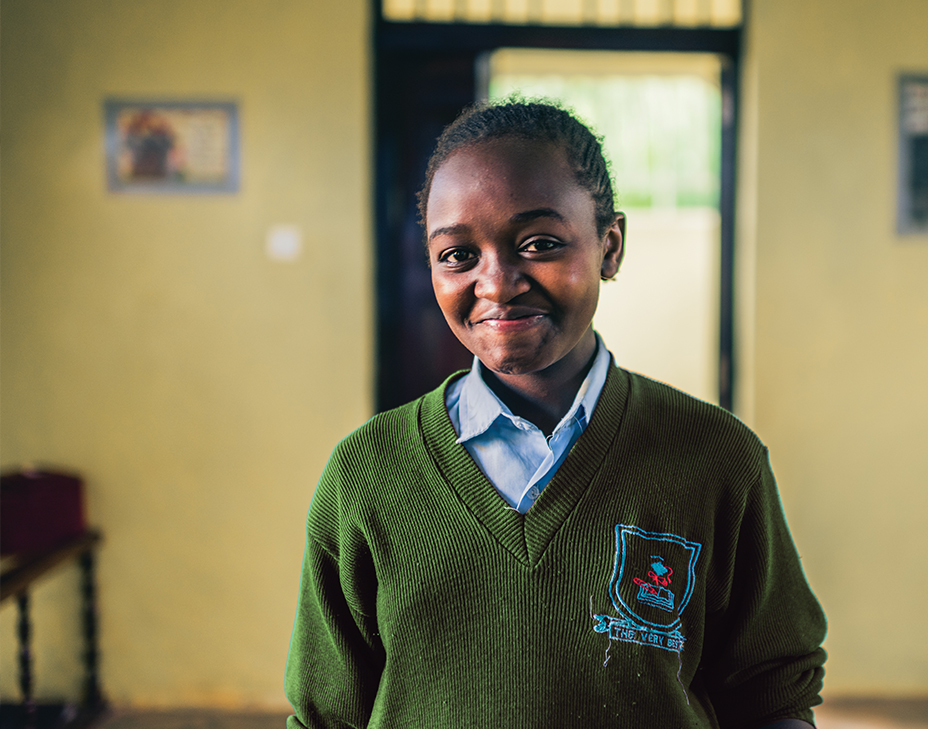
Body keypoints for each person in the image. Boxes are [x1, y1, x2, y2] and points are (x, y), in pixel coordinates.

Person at [285, 100, 826, 728]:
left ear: (610, 247)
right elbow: (326, 714)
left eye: (539, 243)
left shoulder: (715, 457)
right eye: (458, 255)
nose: (496, 282)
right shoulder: (366, 472)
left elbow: (772, 695)